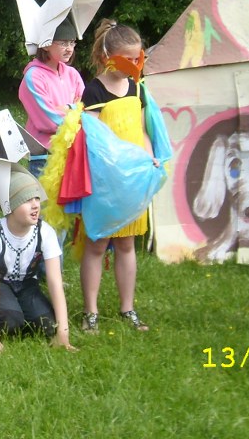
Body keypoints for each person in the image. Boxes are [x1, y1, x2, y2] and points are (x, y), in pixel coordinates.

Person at [76, 20, 163, 334]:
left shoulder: (137, 88)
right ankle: (91, 312)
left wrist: (149, 155)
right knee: (97, 245)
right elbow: (91, 138)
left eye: (138, 58)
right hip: (105, 182)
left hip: (132, 182)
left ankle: (128, 308)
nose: (135, 64)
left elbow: (141, 130)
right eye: (129, 59)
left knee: (126, 245)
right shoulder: (94, 90)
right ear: (107, 57)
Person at [0, 166, 74, 352]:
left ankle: (19, 309)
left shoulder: (45, 232)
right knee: (10, 322)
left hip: (27, 282)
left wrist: (63, 332)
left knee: (47, 325)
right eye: (27, 200)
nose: (35, 205)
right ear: (11, 206)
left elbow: (55, 283)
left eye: (36, 198)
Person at [18, 19, 85, 176]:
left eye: (72, 43)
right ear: (46, 44)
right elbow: (48, 121)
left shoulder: (72, 74)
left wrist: (67, 108)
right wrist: (75, 111)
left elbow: (86, 108)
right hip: (44, 157)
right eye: (63, 43)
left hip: (72, 152)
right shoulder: (34, 76)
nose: (69, 49)